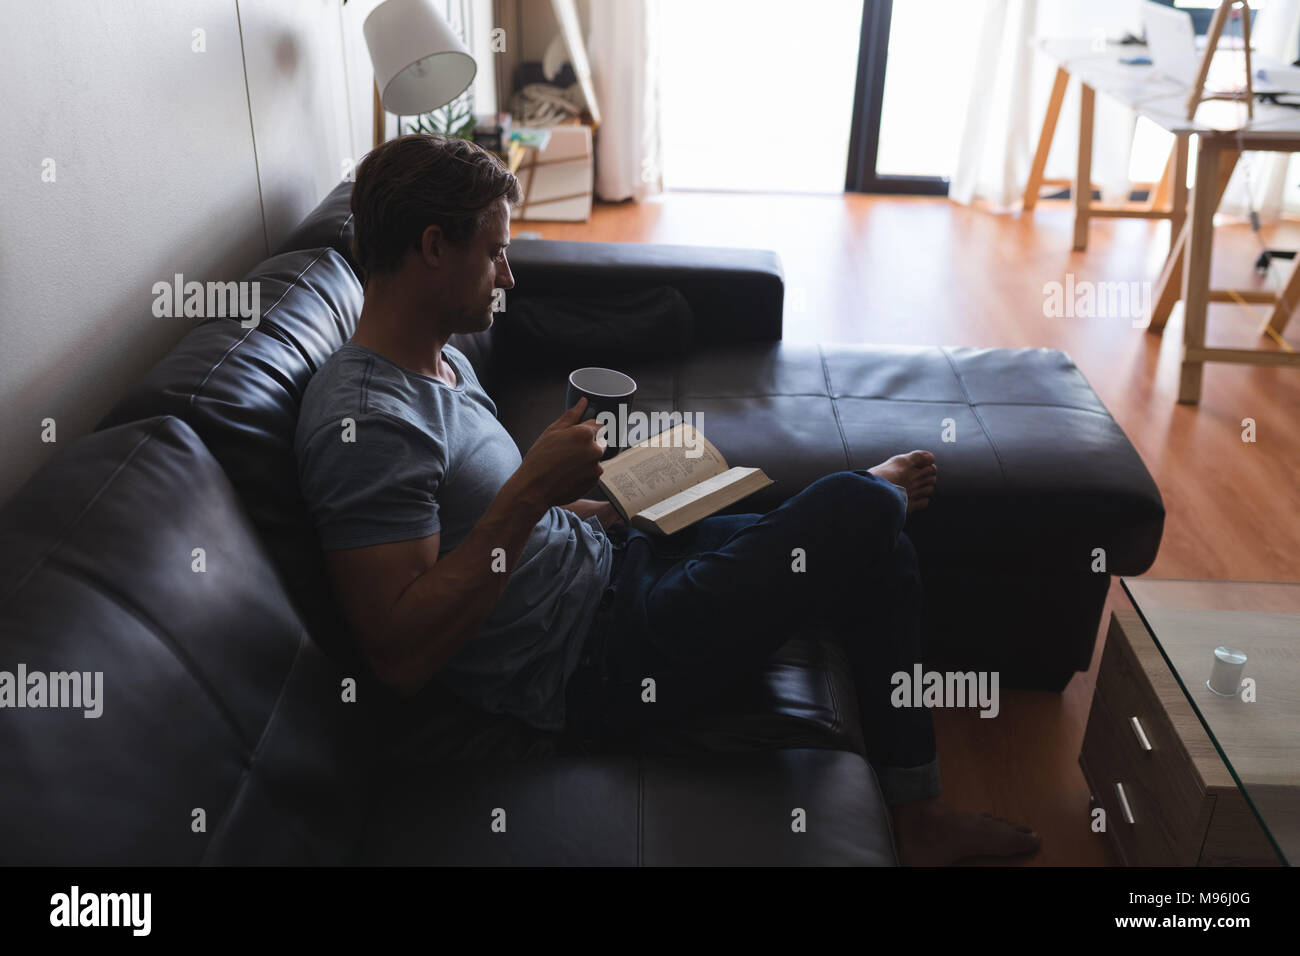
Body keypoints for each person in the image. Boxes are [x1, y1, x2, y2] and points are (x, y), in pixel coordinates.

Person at [294, 133, 1040, 866]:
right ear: (432, 247)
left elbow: (495, 537)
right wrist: (529, 491)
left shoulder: (443, 362)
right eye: (494, 252)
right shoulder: (369, 421)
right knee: (858, 507)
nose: (509, 277)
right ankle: (869, 497)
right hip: (602, 661)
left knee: (880, 546)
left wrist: (613, 500)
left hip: (621, 566)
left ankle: (921, 815)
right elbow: (397, 651)